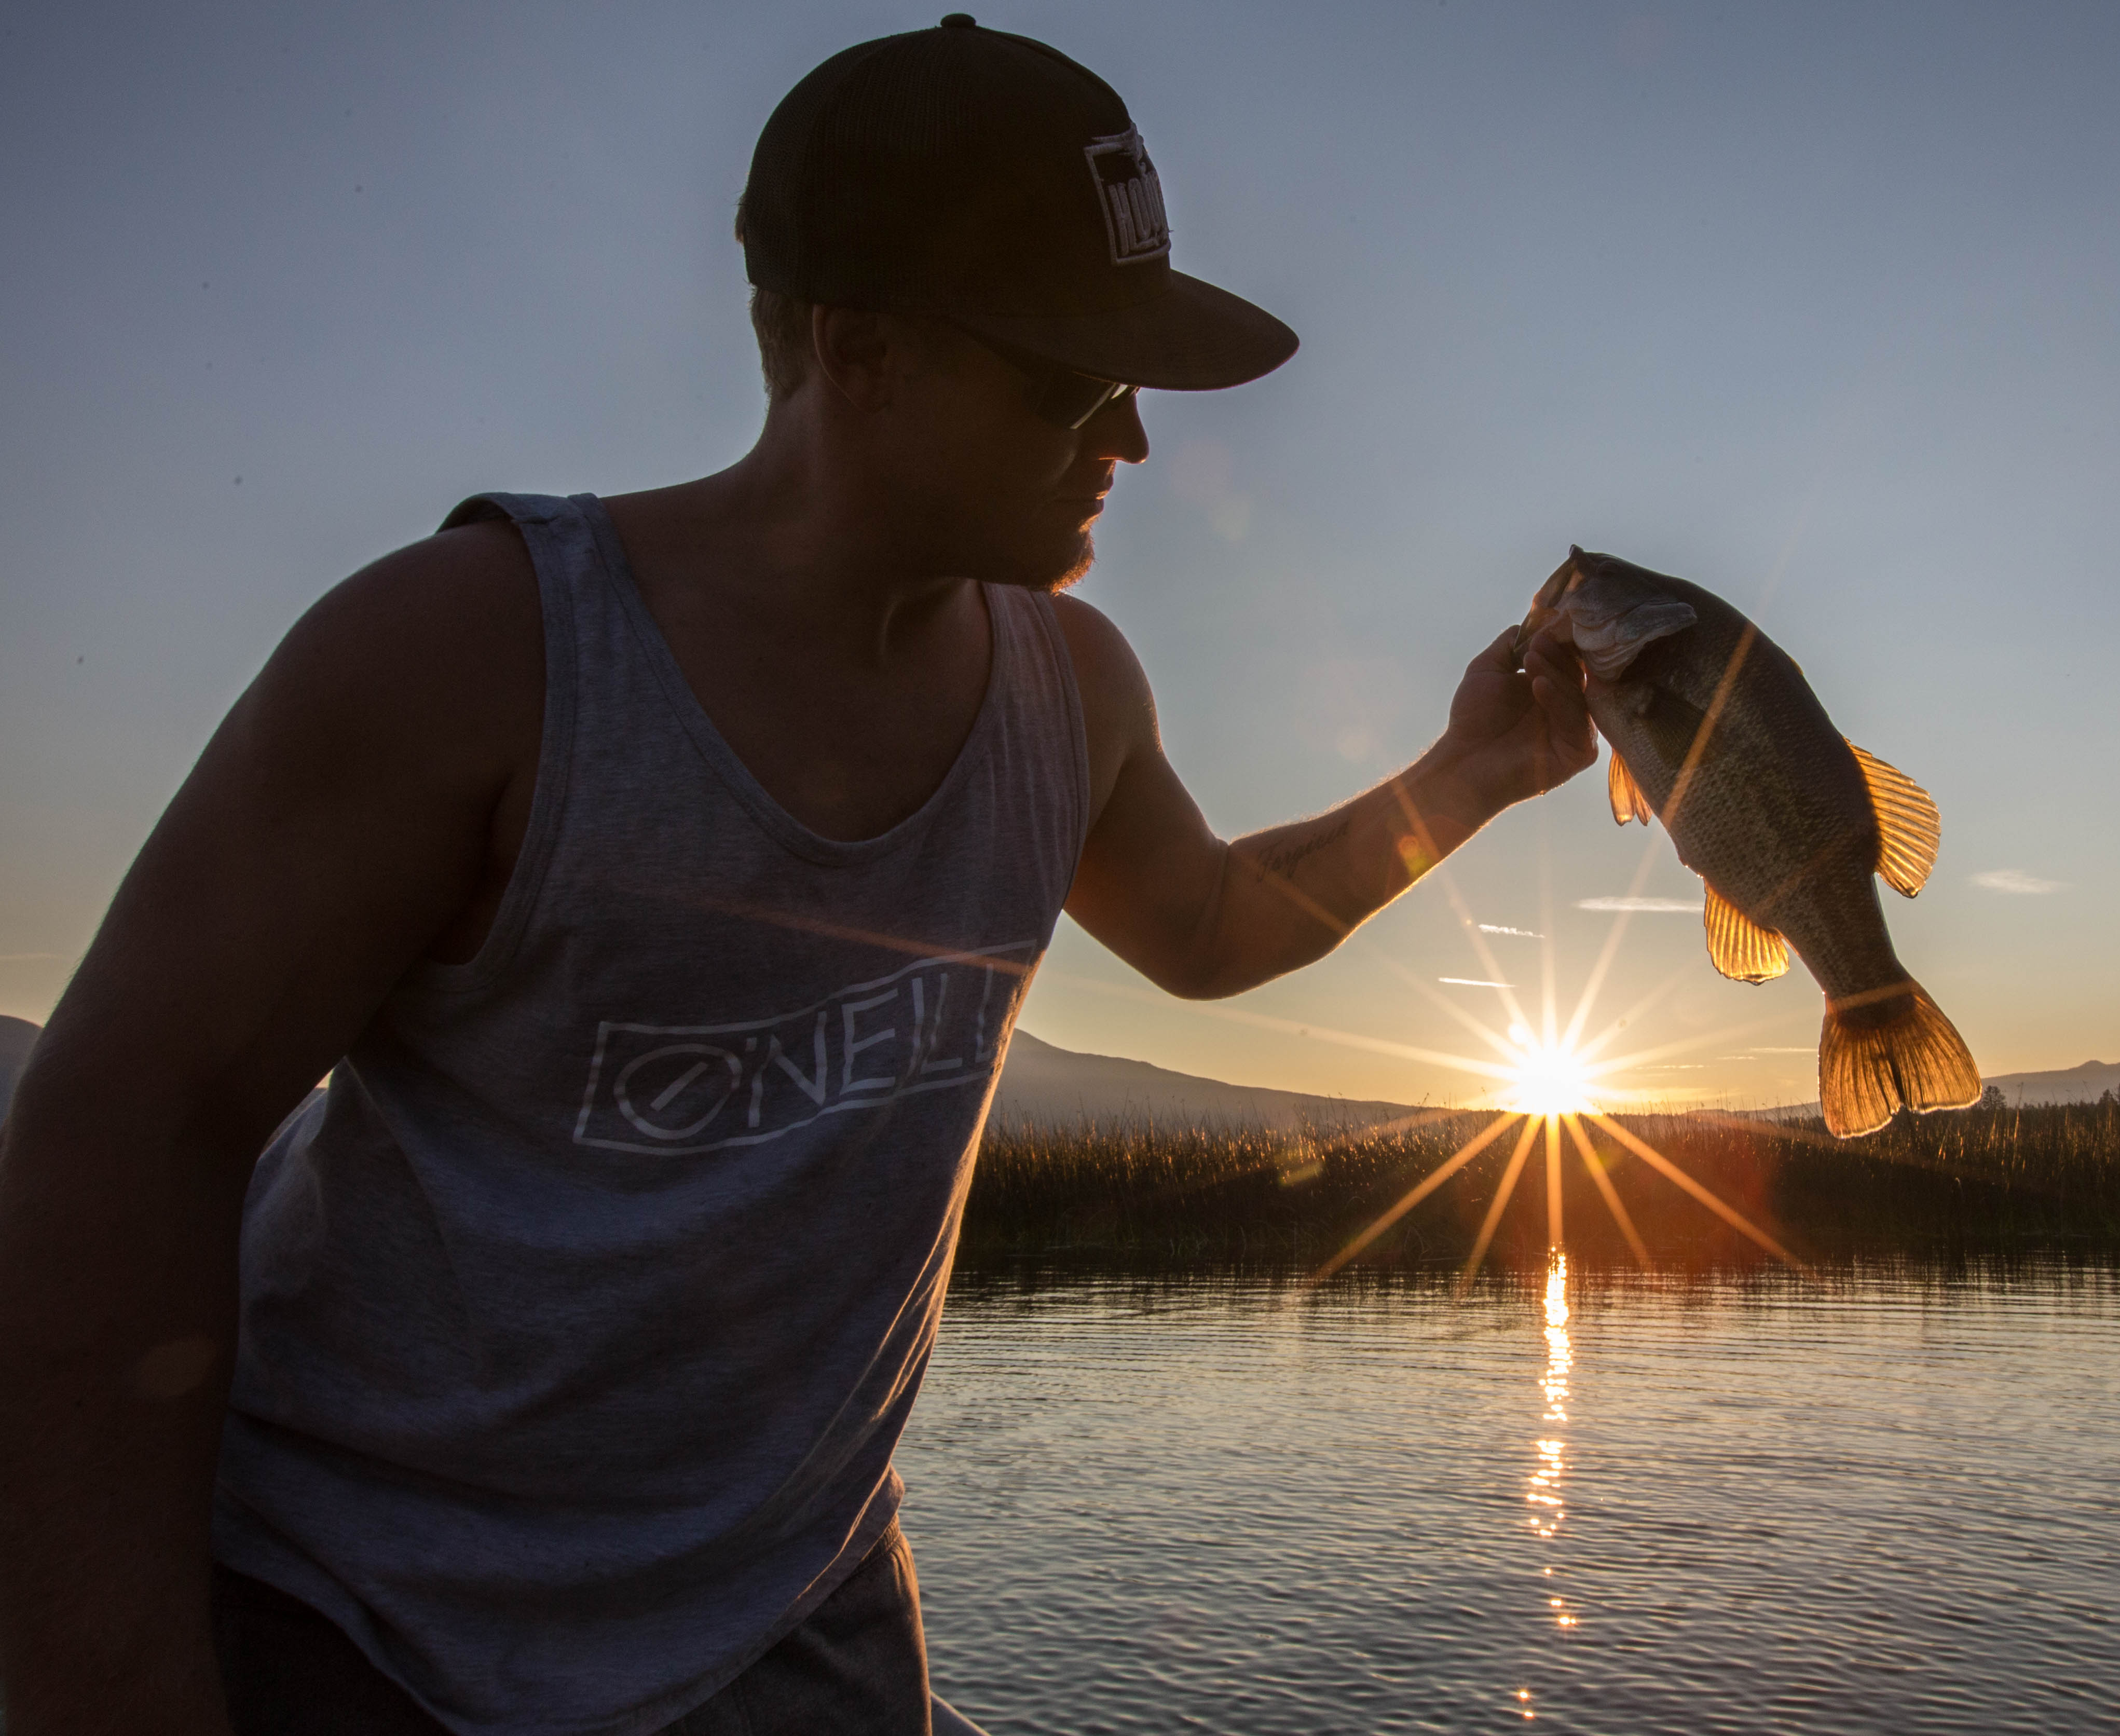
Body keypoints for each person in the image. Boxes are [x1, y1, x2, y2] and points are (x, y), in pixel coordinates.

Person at [0, 16, 1594, 1736]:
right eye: (1073, 381)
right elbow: (123, 1132)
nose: (1133, 440)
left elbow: (1207, 926)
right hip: (367, 1635)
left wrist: (1475, 772)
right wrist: (112, 1684)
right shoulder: (473, 656)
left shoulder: (1072, 691)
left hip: (801, 1631)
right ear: (859, 349)